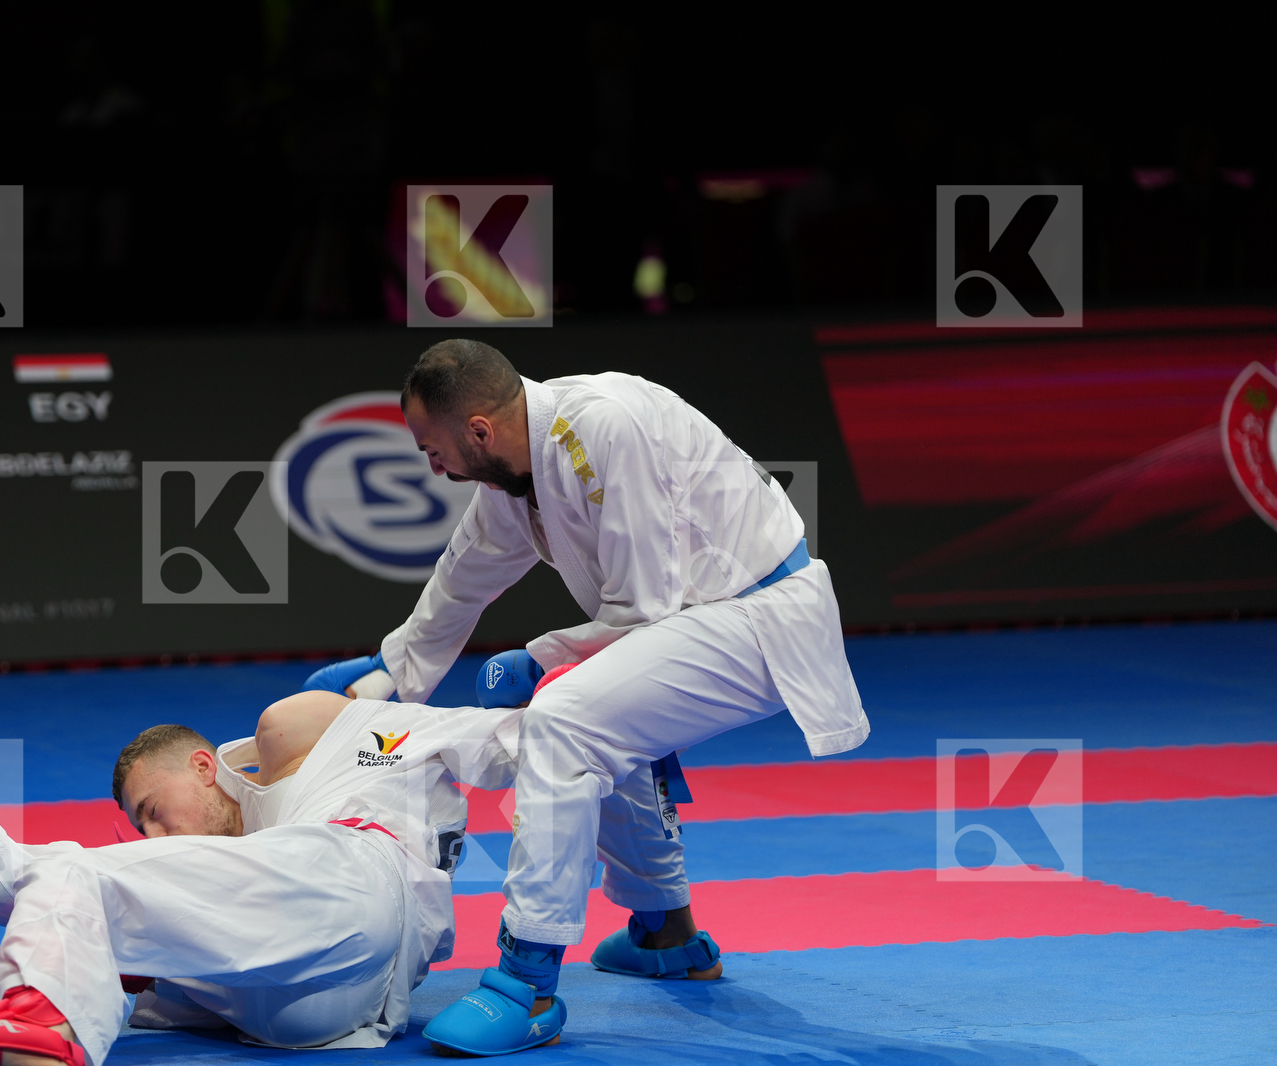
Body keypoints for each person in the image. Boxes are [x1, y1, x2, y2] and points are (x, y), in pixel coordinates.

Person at [308, 339, 870, 1055]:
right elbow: (463, 575)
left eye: (434, 449)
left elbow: (645, 609)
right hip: (700, 617)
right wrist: (387, 672)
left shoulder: (603, 427)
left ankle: (527, 982)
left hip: (758, 616)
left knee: (564, 720)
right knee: (604, 716)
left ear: (478, 429)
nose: (433, 467)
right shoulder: (516, 472)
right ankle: (667, 934)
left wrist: (540, 660)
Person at [0, 688, 540, 1066]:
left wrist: (572, 684)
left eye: (153, 807)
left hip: (352, 882)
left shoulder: (358, 741)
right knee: (91, 905)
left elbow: (524, 739)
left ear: (205, 768)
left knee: (85, 877)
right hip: (300, 1017)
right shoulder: (238, 867)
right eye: (141, 825)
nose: (151, 832)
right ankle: (33, 1012)